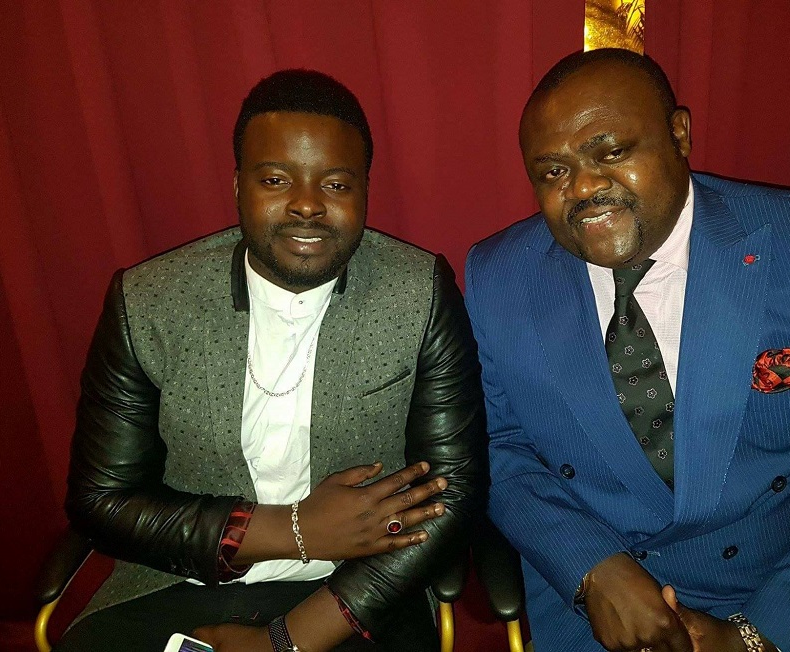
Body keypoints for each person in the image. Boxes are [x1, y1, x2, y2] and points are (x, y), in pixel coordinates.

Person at [463, 48, 790, 652]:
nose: (582, 187)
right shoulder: (499, 278)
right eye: (553, 171)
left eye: (612, 152)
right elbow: (498, 446)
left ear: (679, 134)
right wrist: (590, 568)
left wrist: (756, 636)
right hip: (605, 610)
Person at [59, 69, 486, 652]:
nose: (307, 205)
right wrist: (292, 530)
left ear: (364, 190)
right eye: (277, 179)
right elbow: (101, 500)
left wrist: (285, 642)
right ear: (239, 185)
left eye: (336, 184)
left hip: (352, 594)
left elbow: (451, 493)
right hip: (179, 579)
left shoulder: (420, 293)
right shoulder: (149, 301)